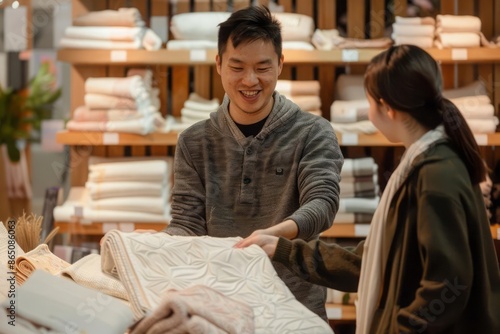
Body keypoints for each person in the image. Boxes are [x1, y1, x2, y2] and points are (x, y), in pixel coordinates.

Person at [236, 45, 500, 333]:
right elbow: (372, 260)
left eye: (369, 102)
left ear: (387, 108)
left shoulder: (435, 175)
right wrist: (282, 249)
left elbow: (450, 284)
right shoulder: (425, 163)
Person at [163, 5, 344, 321]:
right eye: (237, 67)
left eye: (262, 67)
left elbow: (322, 204)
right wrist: (156, 246)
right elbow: (187, 222)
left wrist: (273, 236)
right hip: (217, 307)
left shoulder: (313, 132)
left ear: (280, 65)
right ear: (219, 65)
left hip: (296, 309)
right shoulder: (193, 141)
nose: (250, 81)